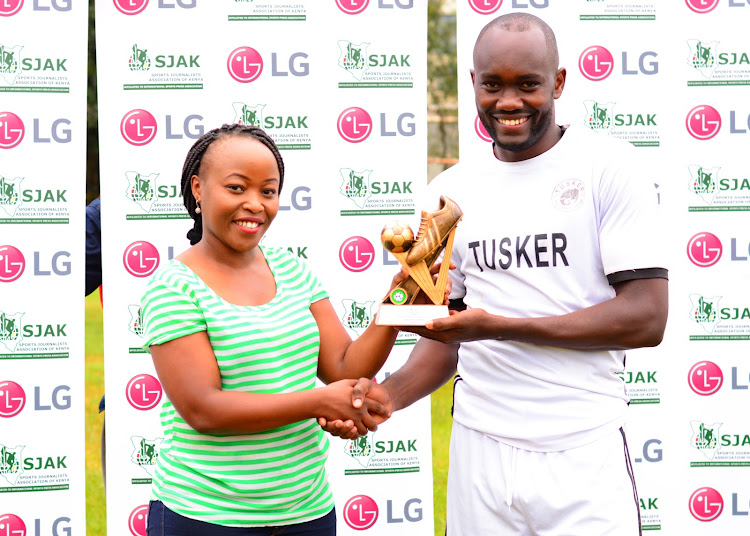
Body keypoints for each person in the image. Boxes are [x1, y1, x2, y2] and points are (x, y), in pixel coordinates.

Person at [323, 12, 668, 536]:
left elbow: (645, 318)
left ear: (558, 82)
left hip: (582, 449)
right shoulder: (450, 192)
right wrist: (387, 397)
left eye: (528, 84)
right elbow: (447, 337)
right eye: (493, 85)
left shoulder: (609, 168)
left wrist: (498, 326)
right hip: (478, 450)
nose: (509, 102)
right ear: (473, 85)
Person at [140, 123, 404, 535]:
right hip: (205, 516)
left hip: (308, 513)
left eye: (268, 191)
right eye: (236, 188)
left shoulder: (292, 270)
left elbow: (342, 366)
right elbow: (203, 409)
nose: (255, 204)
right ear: (198, 188)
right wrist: (319, 402)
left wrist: (396, 306)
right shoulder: (174, 287)